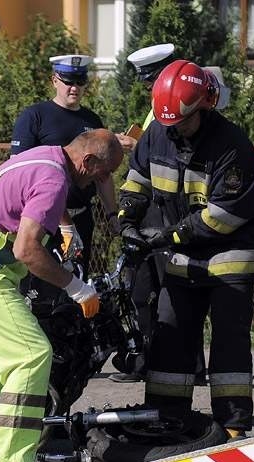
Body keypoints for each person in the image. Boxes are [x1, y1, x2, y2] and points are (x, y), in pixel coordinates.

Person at [0, 129, 124, 462]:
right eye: (103, 173)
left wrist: (64, 226)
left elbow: (28, 206)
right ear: (87, 162)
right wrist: (78, 288)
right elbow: (26, 250)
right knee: (32, 354)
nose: (104, 181)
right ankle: (11, 456)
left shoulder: (44, 156)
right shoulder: (54, 179)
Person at [118, 59, 254, 441]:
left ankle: (232, 425)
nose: (175, 130)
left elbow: (224, 217)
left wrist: (167, 236)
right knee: (170, 338)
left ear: (204, 106)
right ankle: (167, 419)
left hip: (229, 257)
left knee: (229, 344)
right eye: (168, 123)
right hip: (181, 254)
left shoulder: (233, 148)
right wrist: (129, 221)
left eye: (182, 122)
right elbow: (137, 181)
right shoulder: (157, 133)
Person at [10, 55, 134, 269]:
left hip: (81, 215)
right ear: (54, 80)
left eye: (80, 81)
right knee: (41, 286)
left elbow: (102, 175)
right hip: (42, 217)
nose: (74, 87)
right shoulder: (34, 116)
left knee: (77, 279)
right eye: (68, 81)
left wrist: (112, 214)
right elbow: (19, 171)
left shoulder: (92, 121)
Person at [110, 43, 178, 383]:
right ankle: (150, 361)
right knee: (144, 289)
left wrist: (135, 147)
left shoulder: (172, 106)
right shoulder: (157, 107)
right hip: (150, 209)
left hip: (163, 213)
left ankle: (179, 366)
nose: (149, 89)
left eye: (151, 81)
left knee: (168, 292)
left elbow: (168, 154)